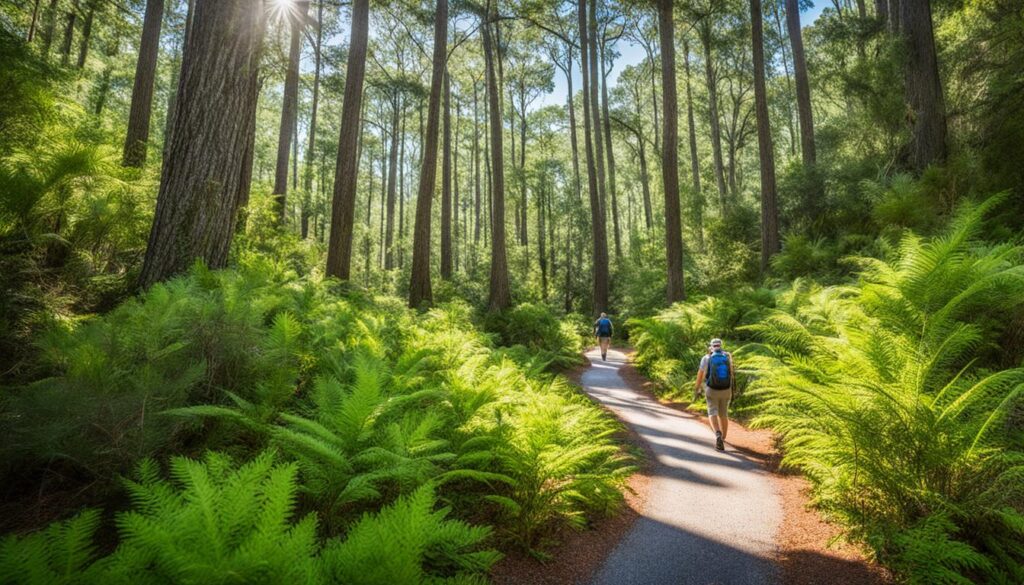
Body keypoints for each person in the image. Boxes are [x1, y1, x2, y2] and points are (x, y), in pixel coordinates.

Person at [694, 338, 734, 451]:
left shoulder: (706, 358)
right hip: (726, 389)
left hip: (711, 389)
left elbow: (700, 375)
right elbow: (731, 373)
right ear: (721, 345)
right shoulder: (727, 356)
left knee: (712, 412)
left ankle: (718, 434)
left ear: (711, 347)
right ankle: (724, 438)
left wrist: (697, 388)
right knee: (723, 413)